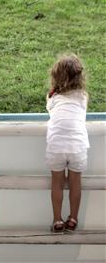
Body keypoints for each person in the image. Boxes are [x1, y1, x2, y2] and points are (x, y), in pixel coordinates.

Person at [46, 54, 89, 233]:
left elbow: (51, 111)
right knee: (75, 183)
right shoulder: (82, 96)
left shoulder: (52, 97)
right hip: (77, 144)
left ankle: (57, 219)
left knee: (57, 183)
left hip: (56, 144)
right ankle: (73, 218)